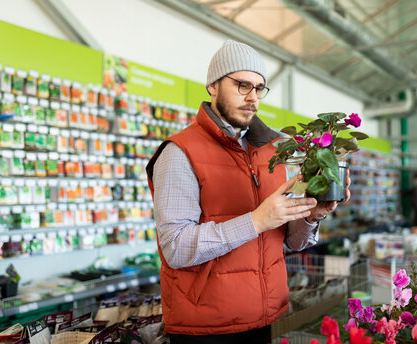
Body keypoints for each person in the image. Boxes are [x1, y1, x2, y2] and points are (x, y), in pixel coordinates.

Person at [146, 40, 351, 344]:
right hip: (206, 329)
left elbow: (289, 243)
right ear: (213, 86)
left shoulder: (271, 152)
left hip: (265, 318)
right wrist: (255, 221)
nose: (253, 97)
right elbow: (175, 247)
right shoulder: (180, 152)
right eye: (242, 85)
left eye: (259, 88)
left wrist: (312, 216)